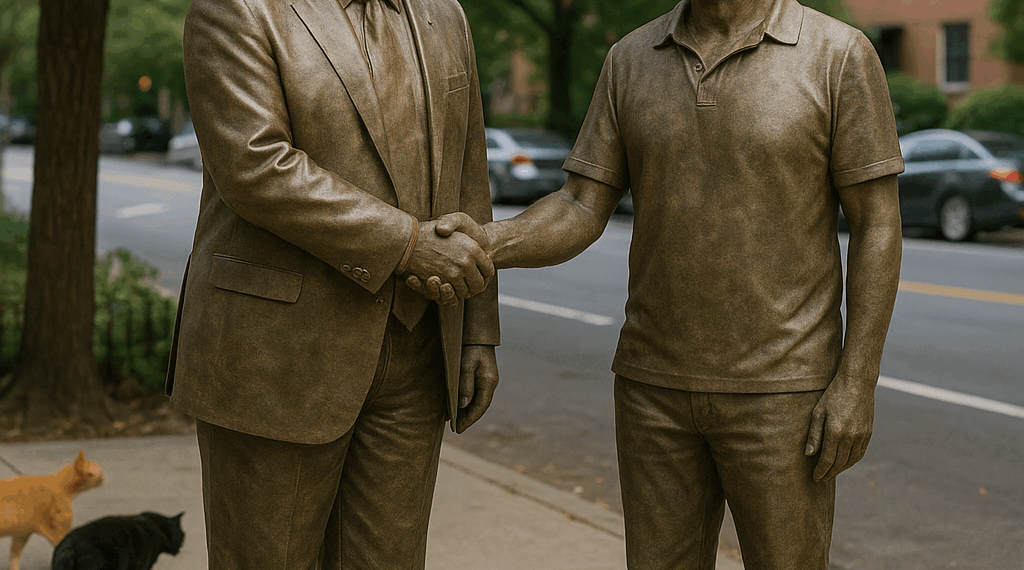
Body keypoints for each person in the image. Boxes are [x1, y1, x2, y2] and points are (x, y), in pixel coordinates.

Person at [412, 0, 904, 567]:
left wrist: (856, 384)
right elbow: (579, 205)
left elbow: (878, 227)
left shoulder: (838, 54)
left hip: (784, 393)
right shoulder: (630, 59)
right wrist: (488, 242)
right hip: (652, 389)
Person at [164, 0, 499, 568]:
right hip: (279, 353)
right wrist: (407, 244)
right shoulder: (237, 9)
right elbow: (255, 166)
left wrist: (477, 330)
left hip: (417, 355)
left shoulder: (446, 14)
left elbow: (469, 172)